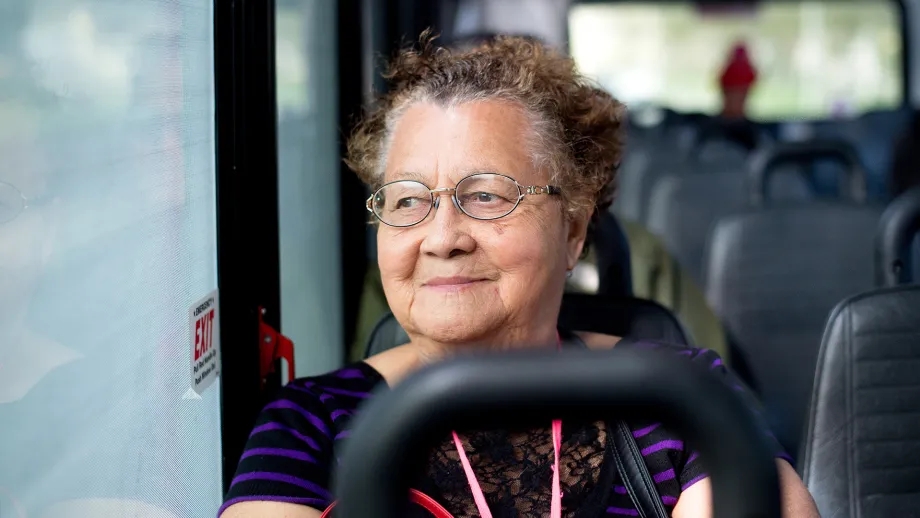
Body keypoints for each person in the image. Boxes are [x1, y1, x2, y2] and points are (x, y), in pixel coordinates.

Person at [219, 32, 819, 518]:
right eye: (405, 201)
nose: (443, 238)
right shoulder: (307, 426)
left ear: (575, 232)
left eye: (487, 196)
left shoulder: (684, 401)